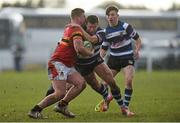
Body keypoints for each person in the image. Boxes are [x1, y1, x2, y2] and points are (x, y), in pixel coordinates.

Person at [46, 15, 124, 113]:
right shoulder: (76, 32)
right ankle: (58, 101)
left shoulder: (101, 32)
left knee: (111, 81)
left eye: (94, 27)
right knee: (93, 84)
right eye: (90, 26)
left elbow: (92, 40)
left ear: (97, 25)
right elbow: (65, 44)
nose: (92, 29)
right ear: (85, 24)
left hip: (95, 60)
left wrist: (79, 28)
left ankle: (122, 106)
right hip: (81, 65)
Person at [28, 8, 94, 119]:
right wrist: (90, 53)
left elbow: (88, 39)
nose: (85, 18)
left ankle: (62, 106)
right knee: (60, 93)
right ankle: (35, 110)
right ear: (78, 17)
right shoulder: (76, 29)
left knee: (80, 83)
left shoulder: (70, 27)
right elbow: (79, 49)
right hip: (58, 64)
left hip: (66, 64)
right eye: (84, 16)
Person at [97, 5, 142, 117]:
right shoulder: (106, 31)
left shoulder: (126, 26)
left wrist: (137, 50)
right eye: (108, 15)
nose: (110, 17)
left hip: (127, 57)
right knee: (104, 82)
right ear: (107, 18)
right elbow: (104, 48)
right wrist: (98, 60)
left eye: (113, 14)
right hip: (114, 59)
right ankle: (107, 100)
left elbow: (137, 39)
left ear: (117, 15)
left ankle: (125, 108)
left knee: (128, 81)